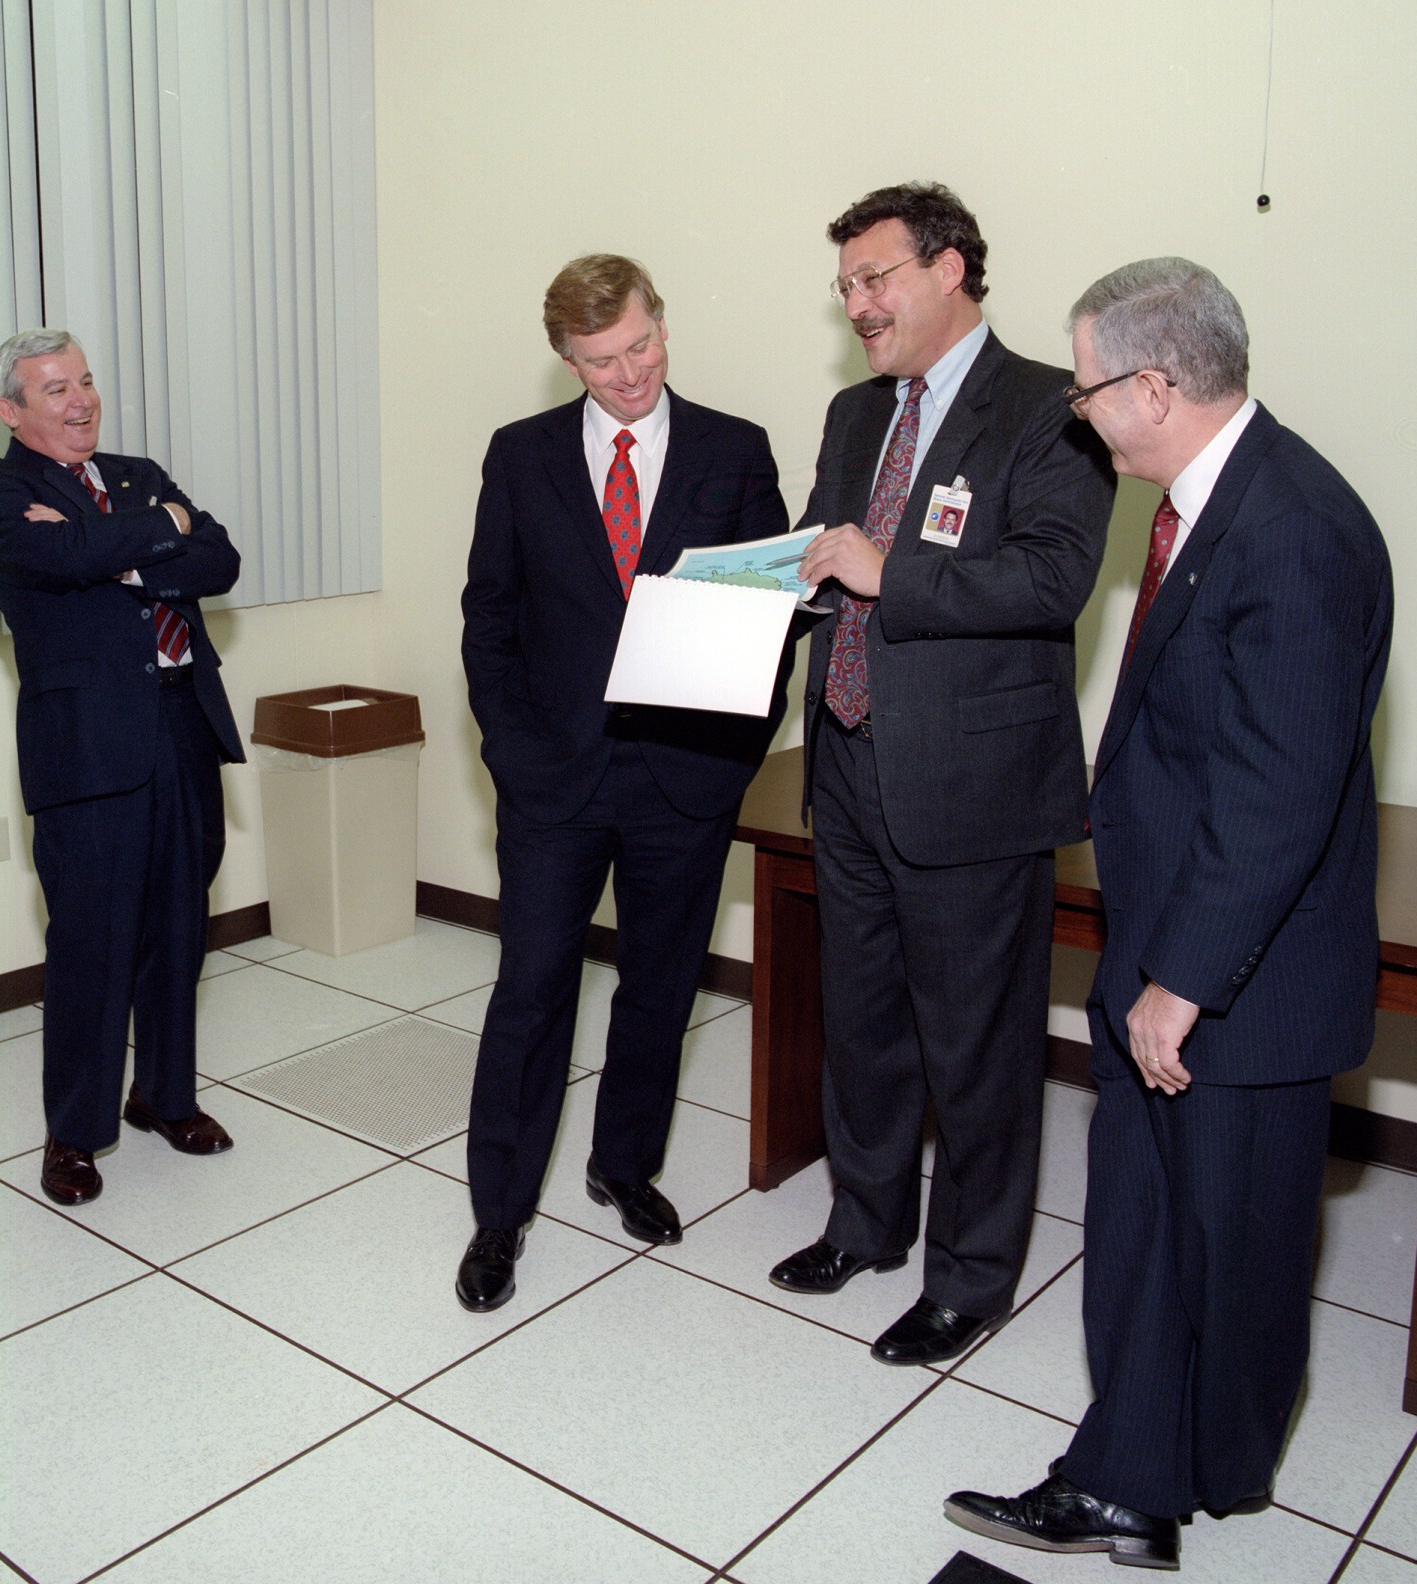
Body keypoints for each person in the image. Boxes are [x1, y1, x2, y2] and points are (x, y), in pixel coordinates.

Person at [945, 259, 1393, 1570]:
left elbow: (1276, 793)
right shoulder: (1214, 499)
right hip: (1172, 941)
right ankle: (1130, 1475)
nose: (1078, 415)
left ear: (1153, 385)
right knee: (1147, 1222)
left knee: (1233, 1243)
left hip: (1235, 983)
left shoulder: (1293, 528)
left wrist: (1181, 980)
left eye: (1087, 390)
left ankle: (1197, 1476)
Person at [774, 183, 1115, 1365]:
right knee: (859, 1021)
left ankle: (970, 1276)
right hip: (851, 757)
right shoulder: (850, 414)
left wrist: (885, 573)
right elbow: (829, 554)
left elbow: (1053, 579)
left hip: (972, 786)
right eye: (846, 288)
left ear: (950, 268)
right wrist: (761, 584)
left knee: (974, 1040)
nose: (857, 306)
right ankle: (864, 1224)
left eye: (875, 280)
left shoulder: (1047, 409)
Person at [457, 255, 789, 1311]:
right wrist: (509, 749)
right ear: (565, 358)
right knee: (530, 990)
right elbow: (489, 617)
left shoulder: (734, 451)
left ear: (660, 323)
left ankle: (623, 1164)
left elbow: (770, 618)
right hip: (551, 780)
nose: (628, 373)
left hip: (683, 781)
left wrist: (736, 754)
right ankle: (499, 1214)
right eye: (600, 361)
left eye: (640, 346)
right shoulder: (520, 457)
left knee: (658, 985)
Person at [0, 330, 244, 1208]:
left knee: (179, 929)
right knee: (91, 944)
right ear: (12, 410)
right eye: (54, 390)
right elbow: (51, 559)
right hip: (85, 743)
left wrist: (111, 548)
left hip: (183, 726)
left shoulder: (136, 471)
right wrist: (158, 538)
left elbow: (219, 559)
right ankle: (75, 1134)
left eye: (85, 381)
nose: (81, 401)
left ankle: (165, 1096)